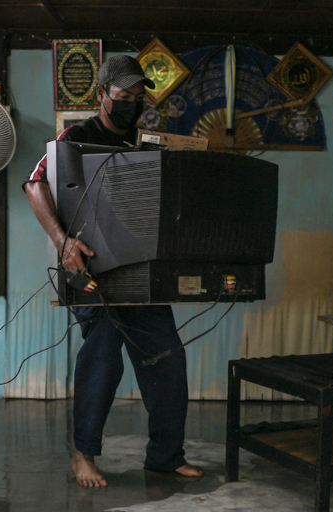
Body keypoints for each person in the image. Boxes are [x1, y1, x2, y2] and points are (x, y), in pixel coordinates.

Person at [23, 55, 203, 488]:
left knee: (167, 357)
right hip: (87, 268)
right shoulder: (77, 136)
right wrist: (62, 241)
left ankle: (165, 456)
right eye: (124, 96)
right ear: (101, 95)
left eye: (139, 97)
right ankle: (82, 455)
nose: (132, 103)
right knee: (103, 354)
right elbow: (34, 184)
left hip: (137, 272)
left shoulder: (144, 143)